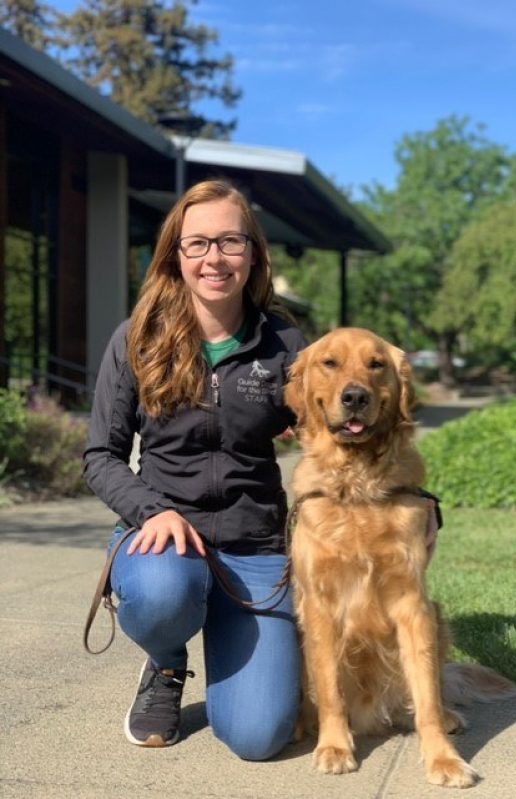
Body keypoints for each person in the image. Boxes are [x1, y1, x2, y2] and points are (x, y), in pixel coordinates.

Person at [84, 179, 306, 759]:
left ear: (253, 253)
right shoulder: (137, 339)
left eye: (231, 241)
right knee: (163, 594)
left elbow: (330, 433)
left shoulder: (283, 343)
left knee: (260, 737)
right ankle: (165, 660)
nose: (214, 258)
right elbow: (100, 456)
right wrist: (149, 511)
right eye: (198, 243)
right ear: (175, 256)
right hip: (164, 540)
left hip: (254, 546)